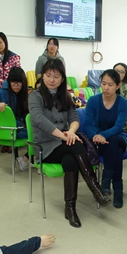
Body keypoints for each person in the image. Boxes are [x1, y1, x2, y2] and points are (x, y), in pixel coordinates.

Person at [29, 59, 111, 228]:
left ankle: (70, 208)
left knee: (71, 160)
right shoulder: (35, 96)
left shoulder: (64, 96)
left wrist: (71, 133)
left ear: (62, 79)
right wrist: (65, 136)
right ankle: (96, 190)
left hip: (64, 142)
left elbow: (74, 118)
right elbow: (38, 119)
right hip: (45, 146)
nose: (52, 79)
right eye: (48, 75)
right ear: (42, 76)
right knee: (76, 146)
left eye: (56, 76)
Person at [82, 69, 127, 208]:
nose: (106, 88)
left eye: (110, 85)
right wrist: (96, 136)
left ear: (117, 86)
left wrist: (102, 135)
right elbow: (86, 125)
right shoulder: (93, 101)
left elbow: (118, 127)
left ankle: (106, 180)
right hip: (97, 140)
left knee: (114, 141)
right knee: (115, 151)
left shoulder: (123, 103)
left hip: (118, 138)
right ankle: (118, 189)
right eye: (103, 84)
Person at [0, 66, 29, 160]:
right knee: (38, 134)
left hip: (16, 128)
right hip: (7, 130)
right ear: (9, 81)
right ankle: (26, 159)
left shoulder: (24, 95)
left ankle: (26, 159)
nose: (16, 85)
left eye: (19, 82)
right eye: (13, 82)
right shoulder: (0, 93)